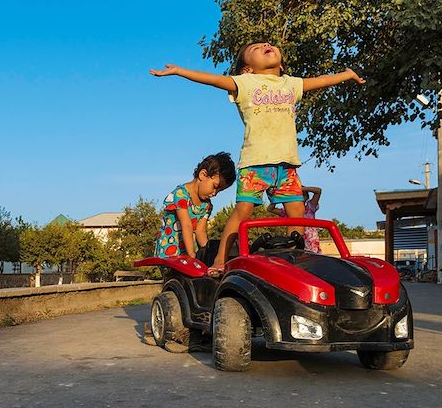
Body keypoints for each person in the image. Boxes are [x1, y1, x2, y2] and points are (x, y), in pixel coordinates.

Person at [151, 41, 364, 274]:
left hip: (287, 165)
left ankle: (296, 255)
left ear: (281, 64)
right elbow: (212, 80)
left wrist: (345, 75)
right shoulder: (245, 83)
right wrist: (180, 71)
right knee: (243, 211)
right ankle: (220, 260)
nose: (266, 44)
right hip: (255, 164)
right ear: (247, 68)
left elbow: (320, 81)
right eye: (255, 49)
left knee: (297, 212)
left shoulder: (290, 84)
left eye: (269, 44)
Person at [155, 152, 236, 259]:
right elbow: (186, 225)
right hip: (170, 253)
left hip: (190, 254)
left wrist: (208, 252)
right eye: (215, 186)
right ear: (203, 175)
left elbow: (200, 232)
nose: (215, 193)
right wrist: (192, 254)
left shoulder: (206, 205)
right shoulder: (180, 194)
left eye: (219, 191)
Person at [267, 185, 322, 252]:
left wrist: (299, 189)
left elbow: (318, 191)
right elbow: (270, 209)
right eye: (295, 196)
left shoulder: (310, 207)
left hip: (310, 245)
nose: (298, 198)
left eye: (301, 195)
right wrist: (278, 198)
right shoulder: (287, 212)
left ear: (306, 197)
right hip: (294, 244)